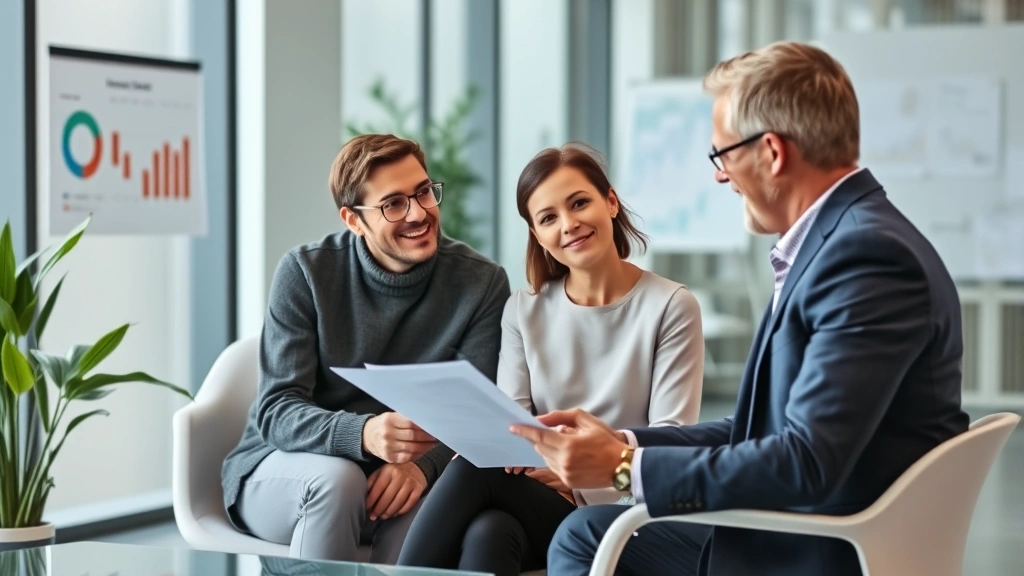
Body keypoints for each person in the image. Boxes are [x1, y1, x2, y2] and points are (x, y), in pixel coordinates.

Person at [511, 41, 970, 576]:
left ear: (771, 152)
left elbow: (805, 462)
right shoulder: (844, 242)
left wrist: (622, 468)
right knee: (582, 532)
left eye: (722, 155)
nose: (720, 176)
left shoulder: (864, 259)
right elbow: (764, 429)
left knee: (583, 536)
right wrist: (625, 442)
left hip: (818, 545)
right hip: (805, 523)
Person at [396, 143, 705, 576]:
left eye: (579, 203)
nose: (568, 224)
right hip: (541, 494)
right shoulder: (524, 309)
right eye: (548, 218)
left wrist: (581, 475)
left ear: (611, 202)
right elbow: (512, 427)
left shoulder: (671, 305)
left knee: (472, 470)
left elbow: (670, 441)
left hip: (622, 506)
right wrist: (544, 465)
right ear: (537, 235)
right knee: (489, 532)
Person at [220, 134, 511, 563]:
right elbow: (276, 412)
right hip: (286, 467)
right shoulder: (306, 272)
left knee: (430, 520)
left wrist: (422, 467)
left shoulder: (481, 283)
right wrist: (364, 434)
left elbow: (475, 415)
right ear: (353, 220)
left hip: (405, 479)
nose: (419, 213)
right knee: (338, 482)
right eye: (393, 204)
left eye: (424, 192)